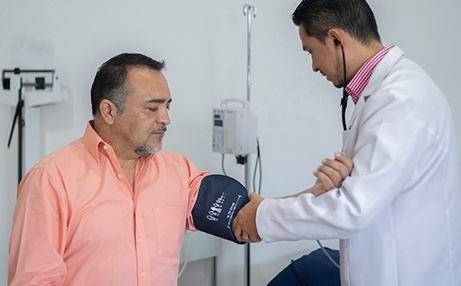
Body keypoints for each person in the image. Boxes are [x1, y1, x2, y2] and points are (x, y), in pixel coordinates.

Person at [8, 52, 352, 286]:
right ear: (109, 111)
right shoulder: (51, 180)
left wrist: (313, 195)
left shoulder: (176, 171)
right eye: (152, 108)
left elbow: (246, 220)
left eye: (168, 106)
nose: (166, 119)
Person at [233, 0, 461, 285]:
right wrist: (275, 205)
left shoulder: (400, 100)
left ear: (336, 39)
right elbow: (361, 193)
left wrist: (262, 217)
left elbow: (353, 208)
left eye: (311, 52)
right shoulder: (387, 94)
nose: (314, 66)